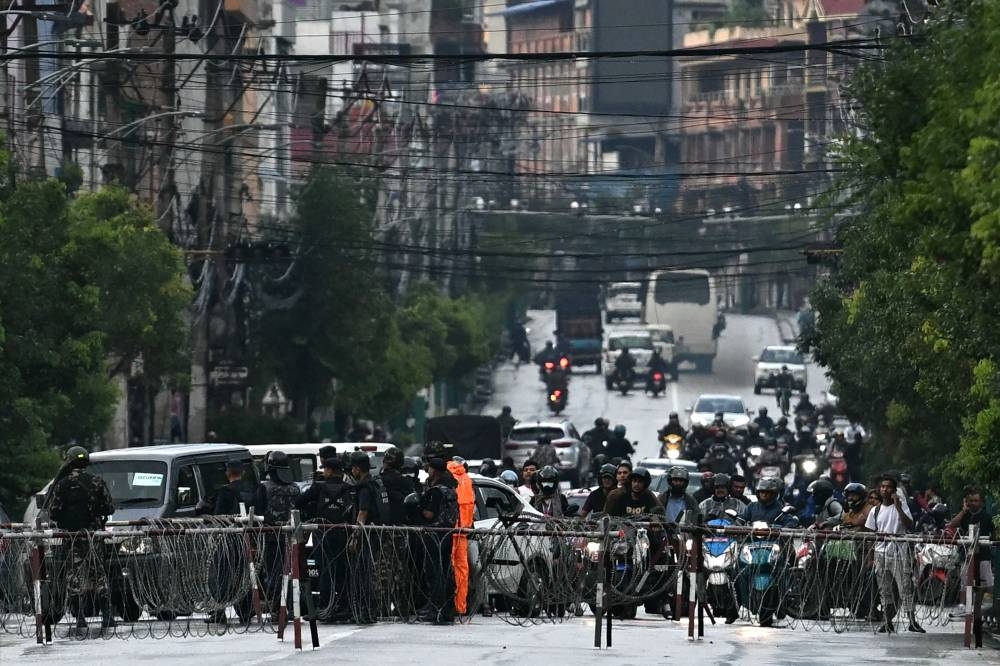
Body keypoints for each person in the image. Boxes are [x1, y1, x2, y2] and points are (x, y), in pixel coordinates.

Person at [49, 446, 116, 632]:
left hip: (72, 536)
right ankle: (107, 617)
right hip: (93, 535)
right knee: (99, 574)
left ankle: (79, 618)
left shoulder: (62, 485)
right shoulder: (96, 481)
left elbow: (53, 512)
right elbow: (109, 508)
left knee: (74, 575)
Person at [294, 457, 353, 621]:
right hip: (343, 533)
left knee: (326, 571)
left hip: (323, 533)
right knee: (342, 570)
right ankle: (343, 607)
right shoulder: (348, 488)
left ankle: (324, 607)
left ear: (330, 470)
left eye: (325, 469)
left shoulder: (318, 487)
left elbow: (299, 502)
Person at [865, 474, 923, 633]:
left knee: (905, 588)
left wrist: (898, 506)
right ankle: (887, 621)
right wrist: (870, 558)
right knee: (884, 590)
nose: (885, 489)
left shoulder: (902, 507)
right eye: (883, 486)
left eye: (888, 487)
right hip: (880, 554)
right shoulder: (875, 510)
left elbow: (909, 525)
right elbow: (870, 535)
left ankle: (912, 621)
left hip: (899, 554)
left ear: (894, 490)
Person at [255, 451, 301, 615]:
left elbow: (258, 512)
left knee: (273, 573)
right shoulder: (295, 488)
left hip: (271, 536)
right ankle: (291, 607)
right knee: (292, 572)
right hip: (292, 537)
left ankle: (276, 608)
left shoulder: (264, 488)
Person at [417, 458, 459, 624]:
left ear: (434, 470)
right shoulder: (451, 489)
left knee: (434, 571)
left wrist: (418, 507)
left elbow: (429, 514)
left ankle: (435, 608)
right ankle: (447, 608)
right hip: (447, 534)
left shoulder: (436, 491)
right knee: (446, 570)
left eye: (429, 468)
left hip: (434, 534)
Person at [347, 451, 386, 624]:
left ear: (356, 469)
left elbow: (362, 512)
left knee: (363, 573)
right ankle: (370, 610)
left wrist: (355, 537)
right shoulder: (375, 483)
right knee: (369, 572)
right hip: (375, 534)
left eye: (352, 469)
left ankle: (366, 611)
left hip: (366, 536)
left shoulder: (363, 488)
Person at [947, 487, 995, 592]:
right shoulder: (965, 515)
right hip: (967, 556)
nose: (973, 503)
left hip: (983, 555)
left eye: (976, 501)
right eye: (971, 501)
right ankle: (964, 602)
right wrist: (963, 511)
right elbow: (951, 525)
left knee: (985, 586)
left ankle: (978, 602)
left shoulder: (986, 517)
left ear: (981, 502)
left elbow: (993, 533)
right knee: (965, 586)